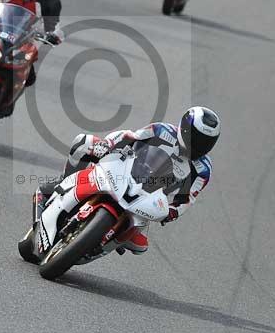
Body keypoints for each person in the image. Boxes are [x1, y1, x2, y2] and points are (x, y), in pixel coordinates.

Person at [36, 106, 220, 255]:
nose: (199, 145)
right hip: (126, 171)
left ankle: (112, 236)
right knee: (83, 143)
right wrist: (107, 145)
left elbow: (188, 199)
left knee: (140, 245)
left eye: (206, 142)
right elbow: (127, 136)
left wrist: (172, 212)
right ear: (185, 128)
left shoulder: (203, 169)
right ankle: (62, 182)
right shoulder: (161, 130)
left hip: (149, 198)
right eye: (197, 138)